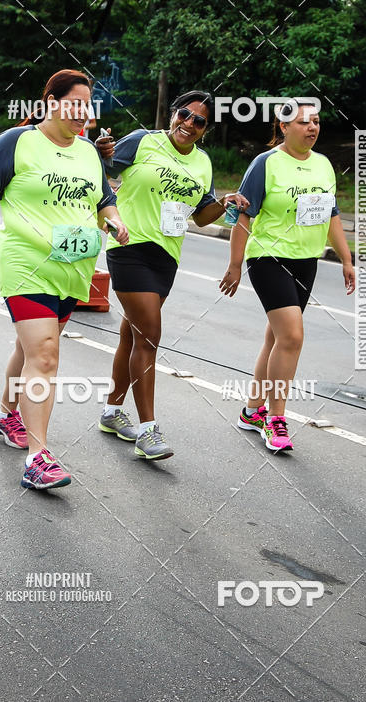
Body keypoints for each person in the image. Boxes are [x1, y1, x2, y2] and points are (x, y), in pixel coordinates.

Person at [0, 69, 128, 489]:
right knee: (45, 353)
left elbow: (103, 201)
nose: (82, 114)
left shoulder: (88, 154)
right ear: (50, 101)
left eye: (88, 106)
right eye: (74, 104)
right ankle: (38, 456)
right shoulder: (15, 143)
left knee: (30, 351)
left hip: (73, 266)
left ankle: (6, 413)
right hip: (26, 265)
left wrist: (114, 222)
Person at [96, 91, 248, 460]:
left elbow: (200, 215)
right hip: (129, 247)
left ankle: (113, 411)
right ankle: (148, 431)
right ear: (173, 114)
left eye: (199, 121)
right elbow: (103, 170)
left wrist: (225, 202)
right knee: (149, 336)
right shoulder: (143, 141)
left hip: (166, 257)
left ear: (205, 130)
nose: (190, 124)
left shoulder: (203, 163)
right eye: (185, 114)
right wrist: (100, 153)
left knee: (132, 335)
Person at [219, 101, 355, 452]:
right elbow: (241, 216)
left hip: (306, 260)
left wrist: (346, 258)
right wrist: (235, 265)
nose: (312, 128)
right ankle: (275, 417)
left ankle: (251, 411)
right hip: (268, 258)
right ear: (282, 126)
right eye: (303, 122)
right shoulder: (266, 164)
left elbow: (332, 215)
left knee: (277, 339)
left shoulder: (324, 165)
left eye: (317, 122)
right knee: (292, 337)